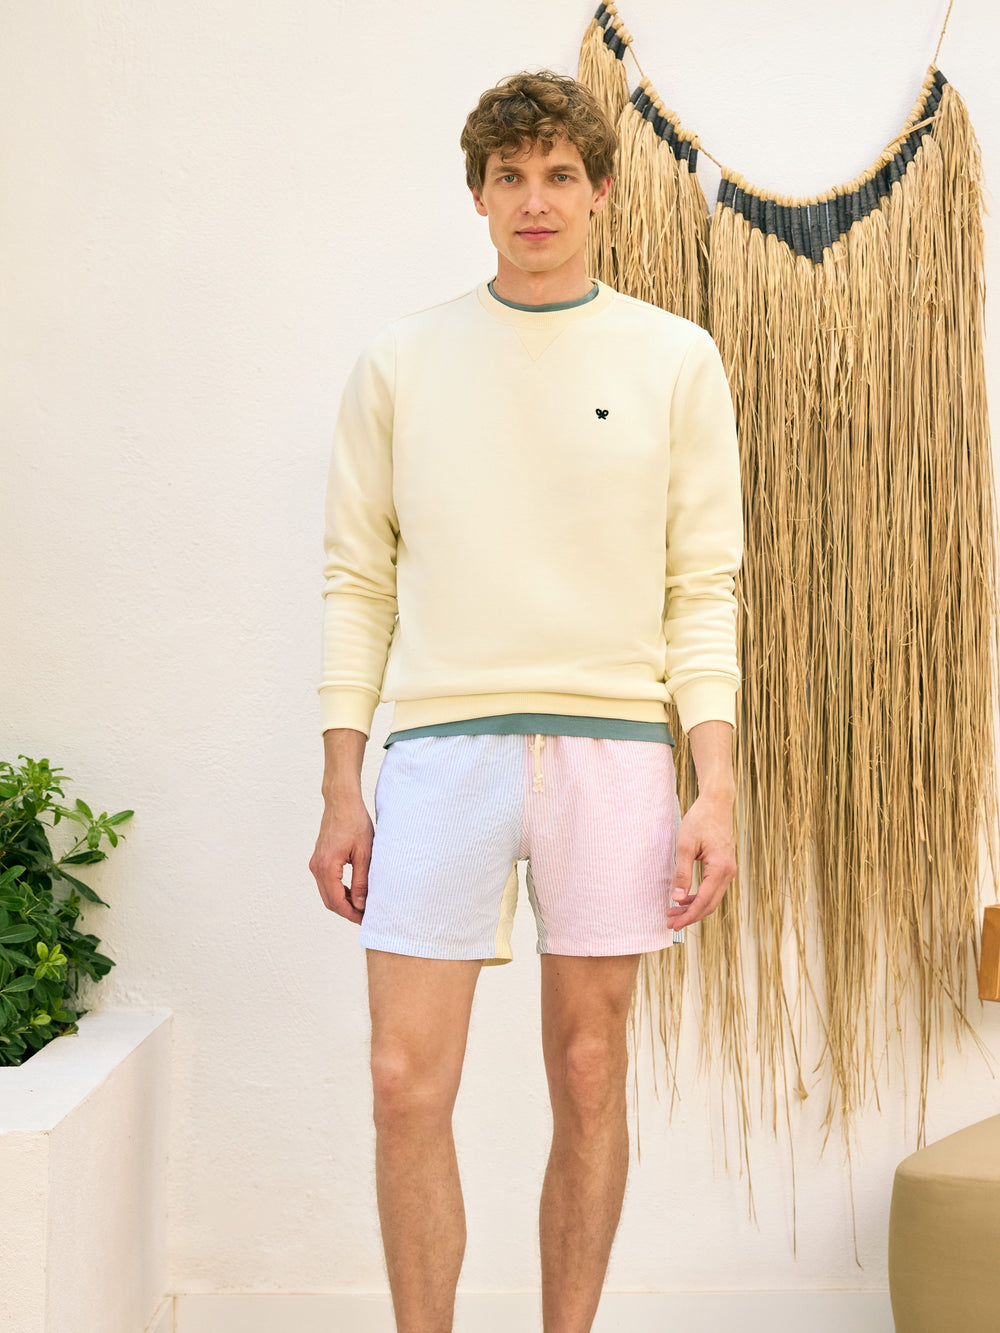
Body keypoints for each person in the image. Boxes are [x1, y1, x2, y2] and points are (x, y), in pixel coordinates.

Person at [310, 67, 742, 1333]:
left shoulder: (673, 360)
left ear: (600, 190)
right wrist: (341, 781)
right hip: (441, 748)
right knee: (402, 1079)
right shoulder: (399, 362)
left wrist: (713, 783)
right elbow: (356, 580)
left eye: (559, 175)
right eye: (510, 177)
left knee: (590, 1068)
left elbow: (701, 589)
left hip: (613, 749)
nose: (535, 200)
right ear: (479, 196)